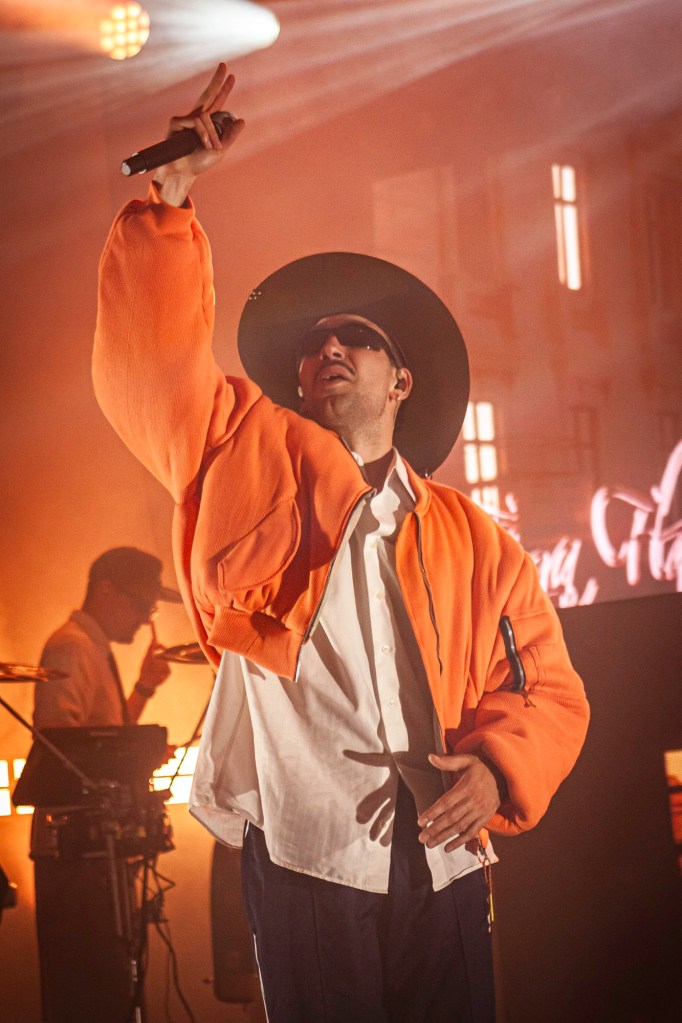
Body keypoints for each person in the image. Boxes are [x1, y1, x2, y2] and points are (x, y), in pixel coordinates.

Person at [93, 64, 590, 1022]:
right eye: (314, 342)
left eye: (355, 337)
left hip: (443, 858)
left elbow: (550, 690)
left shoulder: (476, 538)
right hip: (307, 851)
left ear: (401, 381)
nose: (326, 349)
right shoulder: (237, 456)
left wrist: (498, 768)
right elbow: (149, 369)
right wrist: (170, 199)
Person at [32, 546, 179, 1023]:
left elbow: (99, 743)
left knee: (108, 982)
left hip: (96, 850)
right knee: (89, 987)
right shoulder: (72, 646)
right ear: (106, 591)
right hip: (76, 851)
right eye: (141, 604)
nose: (145, 618)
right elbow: (61, 751)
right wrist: (130, 758)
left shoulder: (92, 649)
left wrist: (144, 690)